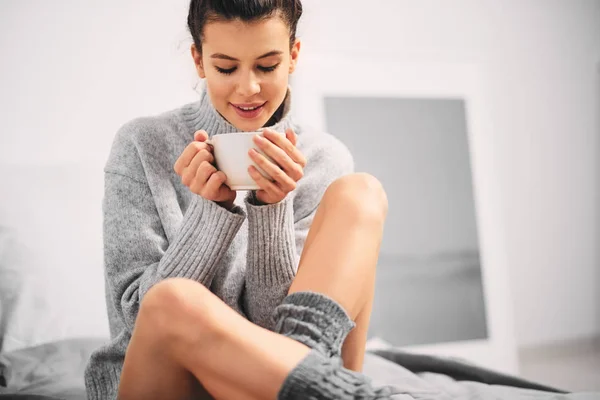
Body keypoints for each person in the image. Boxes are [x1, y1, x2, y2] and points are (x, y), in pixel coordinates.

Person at [84, 0, 394, 399]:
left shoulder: (321, 159)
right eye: (226, 67)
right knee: (173, 299)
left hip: (272, 383)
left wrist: (271, 210)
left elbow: (279, 332)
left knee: (361, 193)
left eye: (267, 66)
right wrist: (209, 213)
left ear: (293, 56)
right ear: (198, 61)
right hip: (166, 381)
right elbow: (140, 320)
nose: (248, 88)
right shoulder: (143, 145)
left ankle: (323, 390)